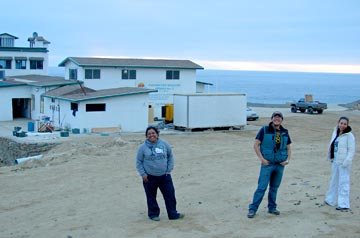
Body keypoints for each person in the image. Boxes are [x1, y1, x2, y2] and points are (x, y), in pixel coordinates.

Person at [247, 111, 292, 218]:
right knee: (261, 187)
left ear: (282, 120)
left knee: (274, 187)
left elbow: (288, 147)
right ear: (271, 119)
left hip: (279, 164)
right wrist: (262, 159)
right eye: (275, 117)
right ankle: (252, 209)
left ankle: (272, 207)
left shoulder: (285, 132)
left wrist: (288, 160)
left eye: (279, 117)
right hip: (267, 164)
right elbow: (256, 145)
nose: (277, 119)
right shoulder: (264, 130)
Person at [136, 126, 184, 221]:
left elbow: (170, 156)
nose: (151, 135)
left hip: (165, 176)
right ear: (146, 136)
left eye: (153, 133)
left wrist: (168, 170)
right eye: (149, 134)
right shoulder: (142, 148)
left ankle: (173, 214)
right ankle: (153, 214)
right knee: (151, 197)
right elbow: (139, 162)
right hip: (149, 177)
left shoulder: (164, 144)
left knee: (170, 195)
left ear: (157, 134)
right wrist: (143, 174)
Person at [324, 116, 356, 211]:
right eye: (341, 123)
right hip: (335, 161)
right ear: (338, 123)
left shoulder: (349, 136)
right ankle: (331, 200)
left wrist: (346, 162)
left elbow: (351, 150)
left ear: (347, 125)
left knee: (343, 182)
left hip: (344, 163)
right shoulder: (336, 133)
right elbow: (332, 145)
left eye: (345, 124)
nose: (342, 125)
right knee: (334, 181)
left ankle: (344, 204)